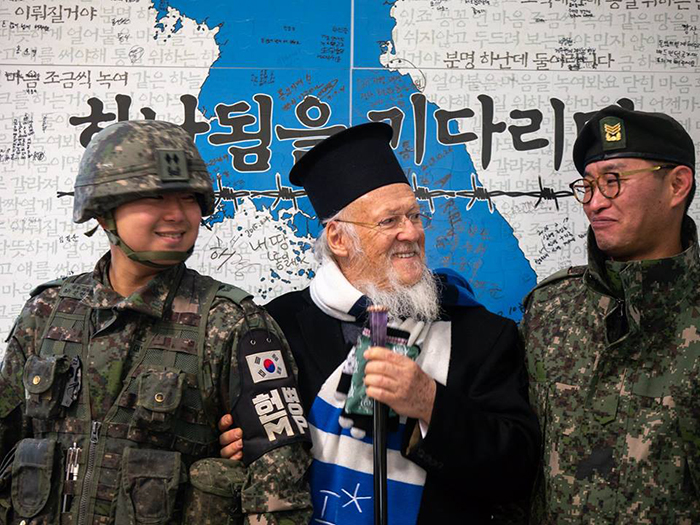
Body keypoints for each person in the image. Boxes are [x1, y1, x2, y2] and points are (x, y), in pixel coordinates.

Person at [220, 122, 539, 524]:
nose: (411, 233)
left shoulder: (481, 334)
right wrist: (242, 443)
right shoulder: (275, 325)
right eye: (389, 221)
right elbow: (262, 441)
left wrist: (430, 404)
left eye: (415, 216)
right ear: (338, 239)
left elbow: (518, 470)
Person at [0, 120, 312, 525]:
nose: (178, 215)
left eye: (188, 199)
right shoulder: (47, 312)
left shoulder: (232, 323)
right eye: (156, 197)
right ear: (103, 211)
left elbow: (280, 486)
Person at [522, 105, 700, 522]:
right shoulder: (551, 310)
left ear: (677, 185)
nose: (594, 203)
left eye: (613, 182)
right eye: (587, 186)